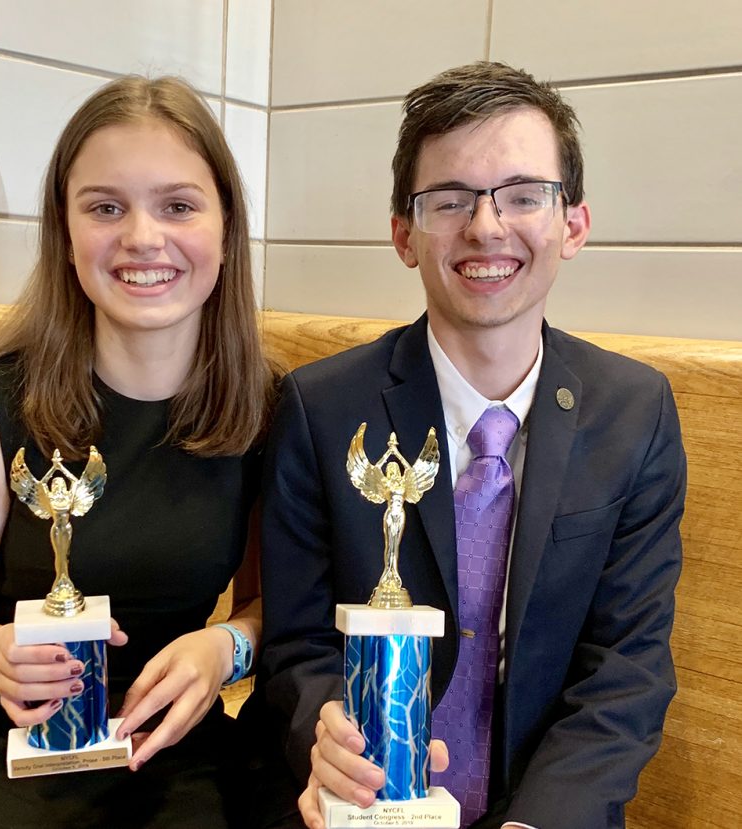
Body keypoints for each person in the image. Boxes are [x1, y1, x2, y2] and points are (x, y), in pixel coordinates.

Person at [255, 61, 685, 829]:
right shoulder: (321, 409)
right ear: (403, 235)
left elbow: (627, 667)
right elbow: (298, 647)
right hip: (358, 811)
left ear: (573, 224)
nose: (486, 227)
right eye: (450, 200)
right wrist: (327, 736)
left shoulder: (636, 411)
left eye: (524, 195)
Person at [0, 75, 277, 828]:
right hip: (8, 750)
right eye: (106, 207)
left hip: (178, 748)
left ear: (227, 230)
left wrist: (225, 649)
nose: (142, 236)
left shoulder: (268, 410)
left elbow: (274, 604)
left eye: (177, 205)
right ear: (66, 235)